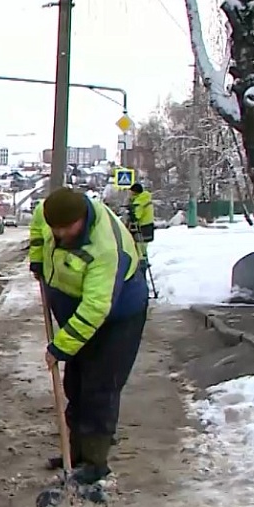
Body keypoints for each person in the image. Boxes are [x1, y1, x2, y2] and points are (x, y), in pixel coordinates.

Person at [29, 186, 150, 484]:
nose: (59, 235)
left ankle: (96, 463)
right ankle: (76, 454)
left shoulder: (105, 248)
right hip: (78, 314)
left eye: (66, 229)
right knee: (76, 383)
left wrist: (60, 347)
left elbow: (97, 308)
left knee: (100, 387)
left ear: (82, 218)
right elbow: (37, 225)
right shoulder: (53, 214)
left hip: (117, 318)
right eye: (55, 229)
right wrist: (37, 257)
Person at [126, 182, 155, 265]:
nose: (130, 194)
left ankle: (142, 267)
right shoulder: (146, 198)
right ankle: (144, 263)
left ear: (134, 192)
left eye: (131, 192)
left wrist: (131, 212)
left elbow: (136, 217)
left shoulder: (139, 202)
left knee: (140, 250)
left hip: (141, 228)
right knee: (143, 249)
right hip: (148, 226)